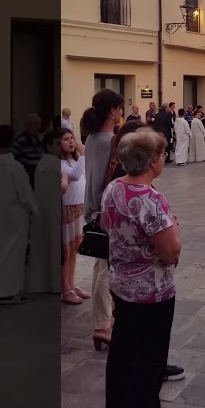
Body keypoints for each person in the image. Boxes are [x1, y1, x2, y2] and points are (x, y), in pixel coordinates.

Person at [101, 128, 180, 408]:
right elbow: (169, 252)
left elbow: (109, 227)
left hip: (121, 285)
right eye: (160, 155)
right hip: (151, 293)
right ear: (152, 161)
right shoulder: (150, 198)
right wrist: (174, 228)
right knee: (147, 366)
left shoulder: (114, 188)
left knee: (121, 357)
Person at [81, 90, 126, 352]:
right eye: (119, 108)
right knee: (106, 269)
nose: (121, 112)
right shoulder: (109, 141)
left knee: (102, 266)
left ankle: (104, 321)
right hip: (104, 210)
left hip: (95, 208)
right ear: (112, 111)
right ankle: (101, 325)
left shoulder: (92, 138)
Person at [0, 125, 35, 305]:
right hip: (15, 213)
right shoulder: (14, 167)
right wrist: (32, 209)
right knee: (13, 252)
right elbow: (25, 193)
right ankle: (9, 291)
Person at [53, 129, 88, 304]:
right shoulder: (59, 162)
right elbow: (73, 175)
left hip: (78, 206)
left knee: (74, 248)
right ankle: (64, 289)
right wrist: (83, 155)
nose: (71, 142)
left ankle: (71, 285)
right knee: (66, 251)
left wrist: (79, 157)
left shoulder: (72, 159)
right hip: (66, 207)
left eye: (72, 138)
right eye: (65, 139)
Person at [30, 133, 61, 296]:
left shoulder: (40, 163)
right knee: (54, 247)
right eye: (56, 144)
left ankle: (40, 284)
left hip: (42, 211)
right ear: (48, 146)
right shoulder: (56, 163)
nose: (59, 147)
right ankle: (56, 285)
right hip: (54, 210)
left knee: (42, 247)